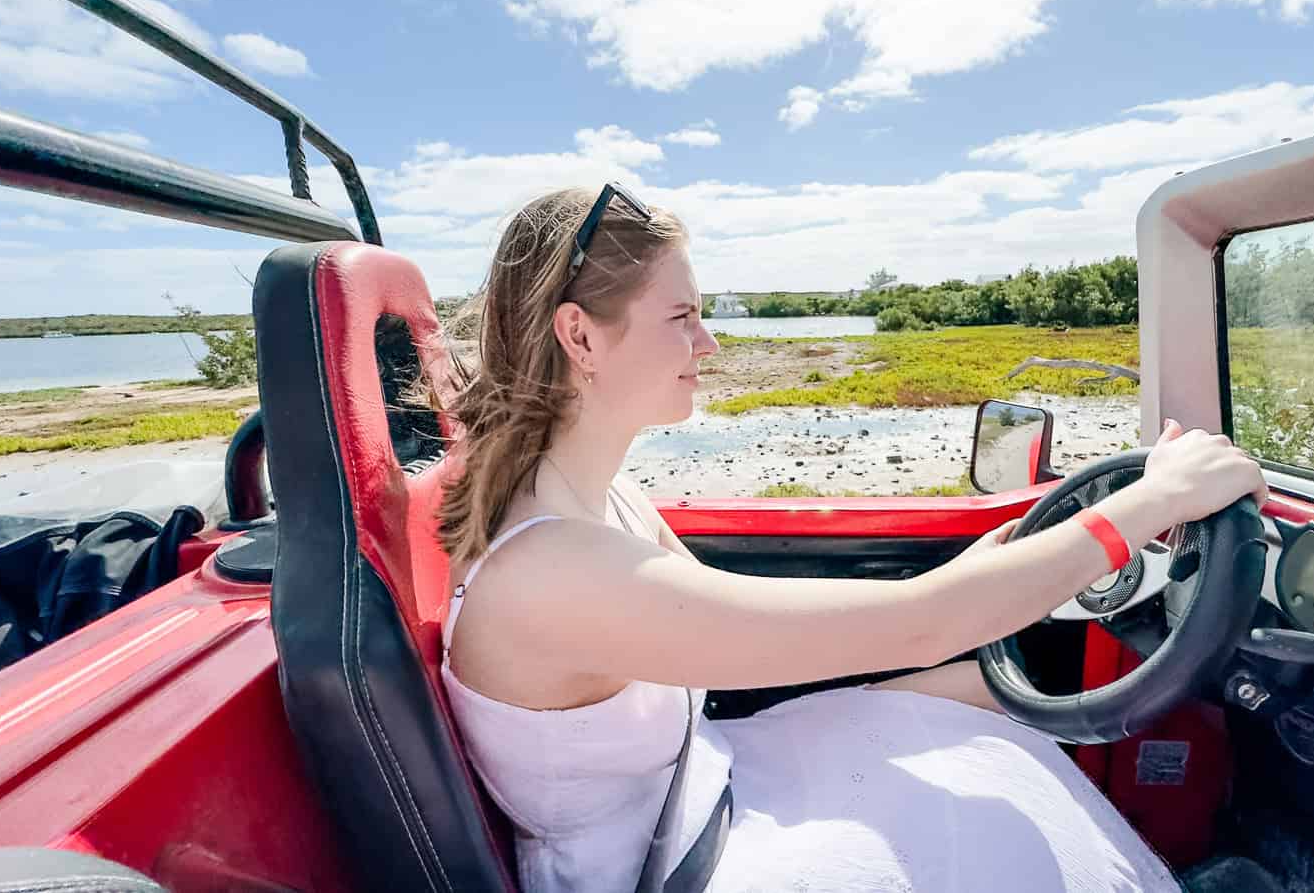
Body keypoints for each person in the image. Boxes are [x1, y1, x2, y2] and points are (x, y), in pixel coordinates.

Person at [436, 185, 1269, 893]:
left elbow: (770, 615)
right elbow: (921, 622)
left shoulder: (600, 497)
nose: (710, 343)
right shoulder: (554, 570)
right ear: (580, 337)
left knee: (977, 708)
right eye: (683, 317)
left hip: (694, 785)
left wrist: (993, 565)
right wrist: (1150, 503)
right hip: (664, 865)